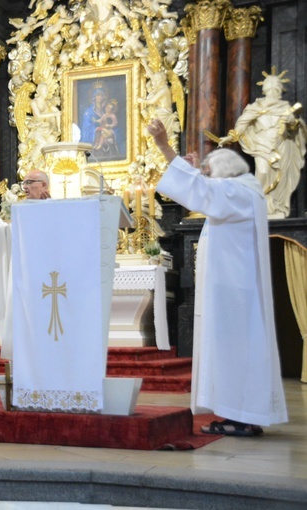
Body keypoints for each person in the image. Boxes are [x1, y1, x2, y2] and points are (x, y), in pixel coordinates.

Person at [147, 118, 287, 436]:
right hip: (235, 288)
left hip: (234, 292)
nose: (206, 178)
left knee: (233, 348)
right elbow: (202, 189)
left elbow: (198, 190)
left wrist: (165, 146)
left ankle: (240, 417)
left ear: (223, 171)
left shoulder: (237, 193)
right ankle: (239, 414)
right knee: (235, 348)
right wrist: (194, 172)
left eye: (209, 172)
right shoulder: (241, 193)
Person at [218, 69, 307, 218]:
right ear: (264, 88)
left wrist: (292, 122)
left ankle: (277, 209)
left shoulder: (285, 107)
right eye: (269, 85)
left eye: (275, 85)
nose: (272, 88)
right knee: (263, 172)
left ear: (279, 88)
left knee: (282, 177)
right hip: (262, 145)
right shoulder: (256, 106)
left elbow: (295, 128)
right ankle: (261, 207)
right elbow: (242, 123)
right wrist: (230, 137)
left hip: (282, 145)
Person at [0, 169, 50, 245]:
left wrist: (48, 210)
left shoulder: (56, 211)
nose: (24, 187)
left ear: (43, 185)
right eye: (23, 183)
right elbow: (8, 235)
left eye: (29, 182)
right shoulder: (23, 211)